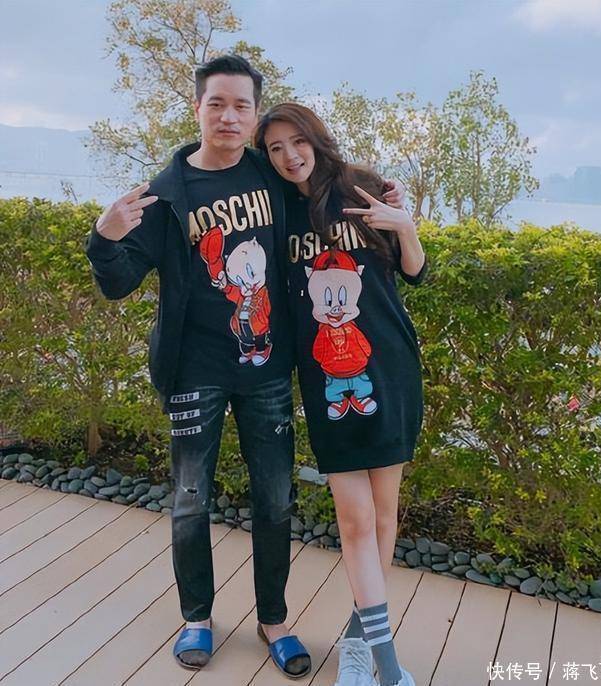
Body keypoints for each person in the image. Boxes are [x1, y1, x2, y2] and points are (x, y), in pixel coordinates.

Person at [86, 55, 312, 677]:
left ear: (255, 114)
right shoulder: (166, 195)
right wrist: (105, 236)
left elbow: (320, 187)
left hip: (267, 367)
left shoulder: (269, 176)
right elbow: (117, 282)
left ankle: (274, 620)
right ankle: (197, 618)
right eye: (217, 104)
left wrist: (386, 206)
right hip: (194, 371)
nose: (229, 116)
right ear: (197, 109)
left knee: (275, 498)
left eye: (242, 106)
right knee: (190, 500)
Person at [255, 103, 426, 686]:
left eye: (297, 141)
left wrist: (406, 225)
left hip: (391, 369)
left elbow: (414, 272)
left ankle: (358, 642)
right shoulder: (277, 211)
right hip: (327, 380)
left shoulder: (361, 187)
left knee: (383, 518)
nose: (289, 156)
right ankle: (387, 665)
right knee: (355, 522)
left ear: (316, 139)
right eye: (275, 148)